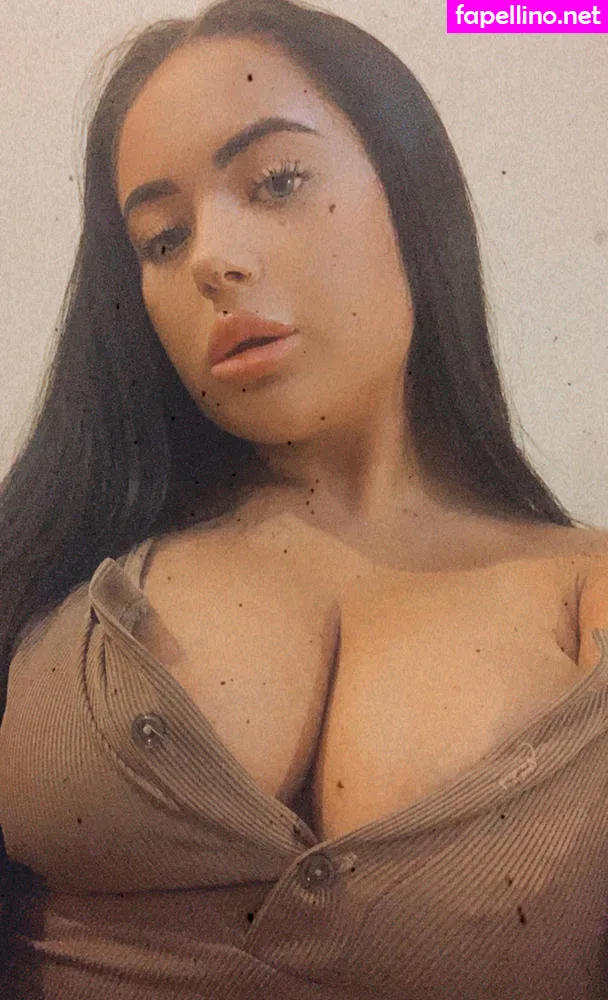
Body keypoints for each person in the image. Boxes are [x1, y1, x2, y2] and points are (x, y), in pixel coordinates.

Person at [1, 0, 607, 996]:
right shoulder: (52, 566)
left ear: (411, 198)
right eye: (161, 238)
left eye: (277, 181)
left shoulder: (583, 591)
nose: (210, 259)